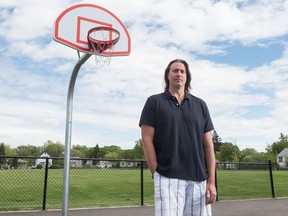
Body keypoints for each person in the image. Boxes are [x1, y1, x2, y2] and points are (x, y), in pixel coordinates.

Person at [139, 59, 217, 216]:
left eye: (182, 71)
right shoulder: (154, 102)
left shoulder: (200, 105)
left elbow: (208, 145)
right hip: (168, 177)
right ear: (167, 75)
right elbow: (146, 140)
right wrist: (156, 172)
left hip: (198, 179)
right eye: (175, 70)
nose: (179, 74)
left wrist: (211, 181)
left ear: (187, 77)